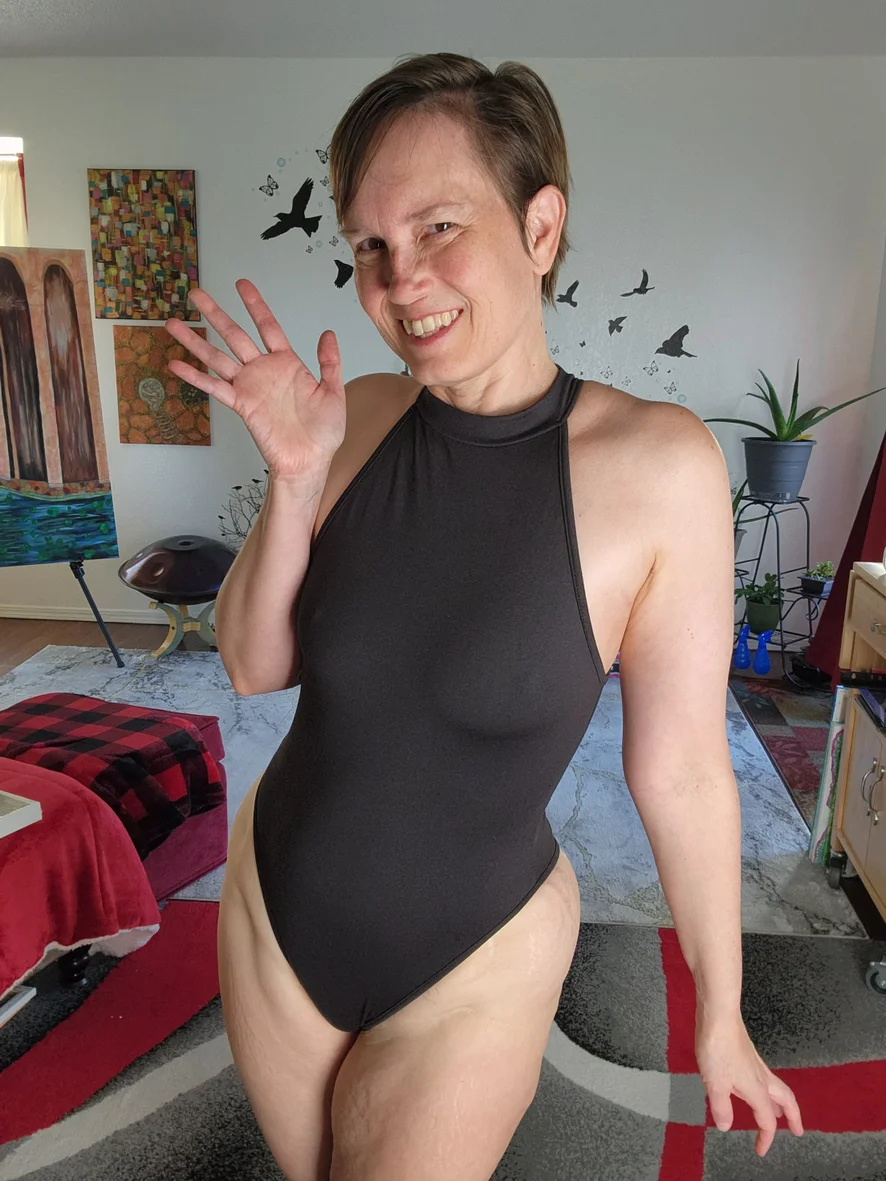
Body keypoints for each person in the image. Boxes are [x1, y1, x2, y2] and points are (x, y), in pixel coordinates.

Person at [165, 51, 803, 1181]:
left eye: (438, 227)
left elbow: (684, 770)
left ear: (539, 227)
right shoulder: (356, 417)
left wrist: (722, 1011)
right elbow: (254, 665)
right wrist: (295, 481)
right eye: (370, 245)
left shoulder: (660, 467)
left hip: (475, 954)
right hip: (275, 916)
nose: (400, 279)